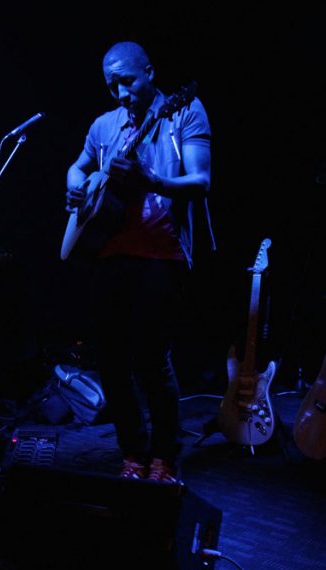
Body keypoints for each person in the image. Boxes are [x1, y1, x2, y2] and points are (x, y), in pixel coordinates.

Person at [65, 41, 215, 483]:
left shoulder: (183, 111)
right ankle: (133, 452)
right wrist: (76, 187)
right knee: (111, 361)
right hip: (109, 252)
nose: (121, 93)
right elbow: (79, 166)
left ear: (149, 71)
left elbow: (201, 180)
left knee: (152, 359)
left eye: (128, 81)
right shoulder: (103, 125)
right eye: (112, 86)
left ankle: (165, 457)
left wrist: (153, 180)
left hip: (160, 253)